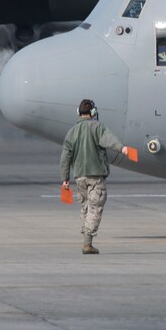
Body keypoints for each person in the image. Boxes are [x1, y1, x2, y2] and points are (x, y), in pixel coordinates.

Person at [60, 98, 130, 255]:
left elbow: (65, 157)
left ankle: (86, 238)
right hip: (96, 176)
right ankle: (87, 243)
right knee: (95, 207)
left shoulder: (72, 132)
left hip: (79, 177)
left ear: (79, 113)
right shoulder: (98, 128)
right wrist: (123, 148)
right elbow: (110, 141)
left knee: (85, 207)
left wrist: (65, 179)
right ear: (93, 112)